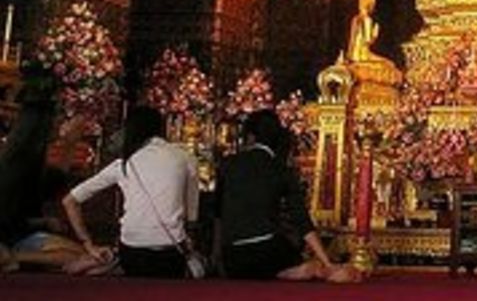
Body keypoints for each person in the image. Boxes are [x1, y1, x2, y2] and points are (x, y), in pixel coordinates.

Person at [214, 109, 355, 282]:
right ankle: (295, 271)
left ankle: (289, 272)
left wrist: (218, 254)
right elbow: (301, 221)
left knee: (260, 263)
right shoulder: (280, 169)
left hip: (233, 257)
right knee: (287, 256)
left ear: (250, 137)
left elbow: (218, 213)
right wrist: (328, 263)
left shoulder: (228, 164)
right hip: (269, 251)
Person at [62, 105, 199, 278]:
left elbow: (69, 201)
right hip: (171, 256)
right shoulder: (186, 158)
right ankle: (108, 262)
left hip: (132, 255)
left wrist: (88, 244)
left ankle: (107, 260)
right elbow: (192, 217)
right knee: (200, 264)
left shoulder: (124, 164)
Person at [0, 66, 82, 272]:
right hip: (10, 237)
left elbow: (52, 185)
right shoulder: (14, 165)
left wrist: (71, 143)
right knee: (80, 257)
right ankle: (12, 257)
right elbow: (9, 220)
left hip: (20, 237)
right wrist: (43, 223)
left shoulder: (27, 162)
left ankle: (16, 258)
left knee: (83, 256)